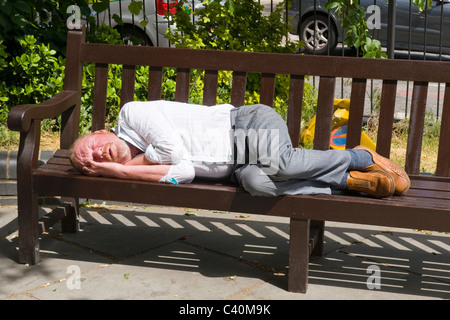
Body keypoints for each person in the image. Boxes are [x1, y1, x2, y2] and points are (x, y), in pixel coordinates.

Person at [70, 100, 410, 198]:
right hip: (236, 170)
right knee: (258, 185)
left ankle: (359, 157)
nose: (98, 155)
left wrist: (125, 169)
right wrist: (122, 171)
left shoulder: (131, 114)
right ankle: (345, 182)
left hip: (243, 127)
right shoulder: (136, 167)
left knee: (283, 165)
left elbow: (173, 152)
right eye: (91, 163)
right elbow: (185, 172)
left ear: (101, 131)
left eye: (92, 146)